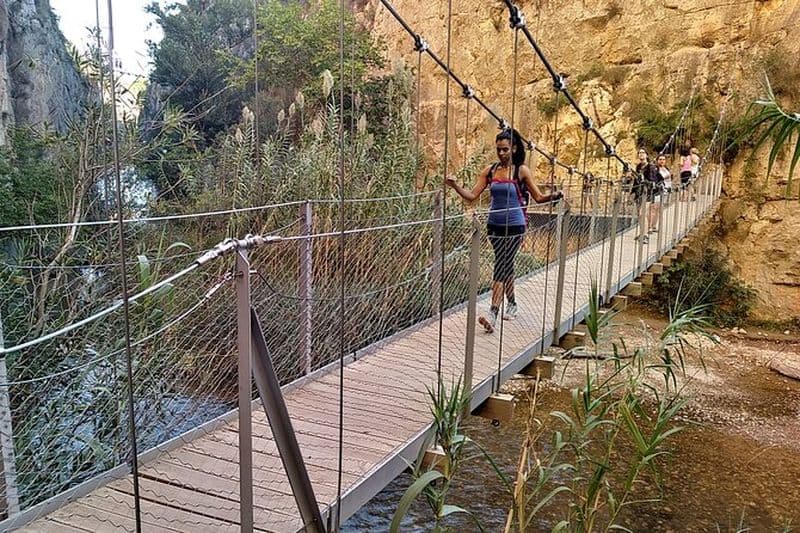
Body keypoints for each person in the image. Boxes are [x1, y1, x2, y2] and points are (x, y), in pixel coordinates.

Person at [446, 129, 563, 332]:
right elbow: (472, 196)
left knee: (501, 264)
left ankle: (493, 313)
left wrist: (555, 195)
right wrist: (455, 185)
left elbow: (538, 197)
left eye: (505, 149)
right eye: (499, 149)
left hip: (516, 226)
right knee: (505, 263)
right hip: (494, 226)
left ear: (514, 148)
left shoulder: (521, 171)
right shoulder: (490, 171)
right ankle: (513, 303)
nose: (501, 153)